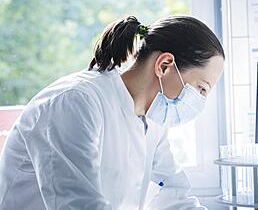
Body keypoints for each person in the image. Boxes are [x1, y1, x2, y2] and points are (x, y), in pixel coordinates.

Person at [0, 15, 225, 209]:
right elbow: (79, 205)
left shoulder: (151, 120)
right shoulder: (76, 102)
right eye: (201, 88)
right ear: (164, 65)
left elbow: (174, 197)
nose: (200, 100)